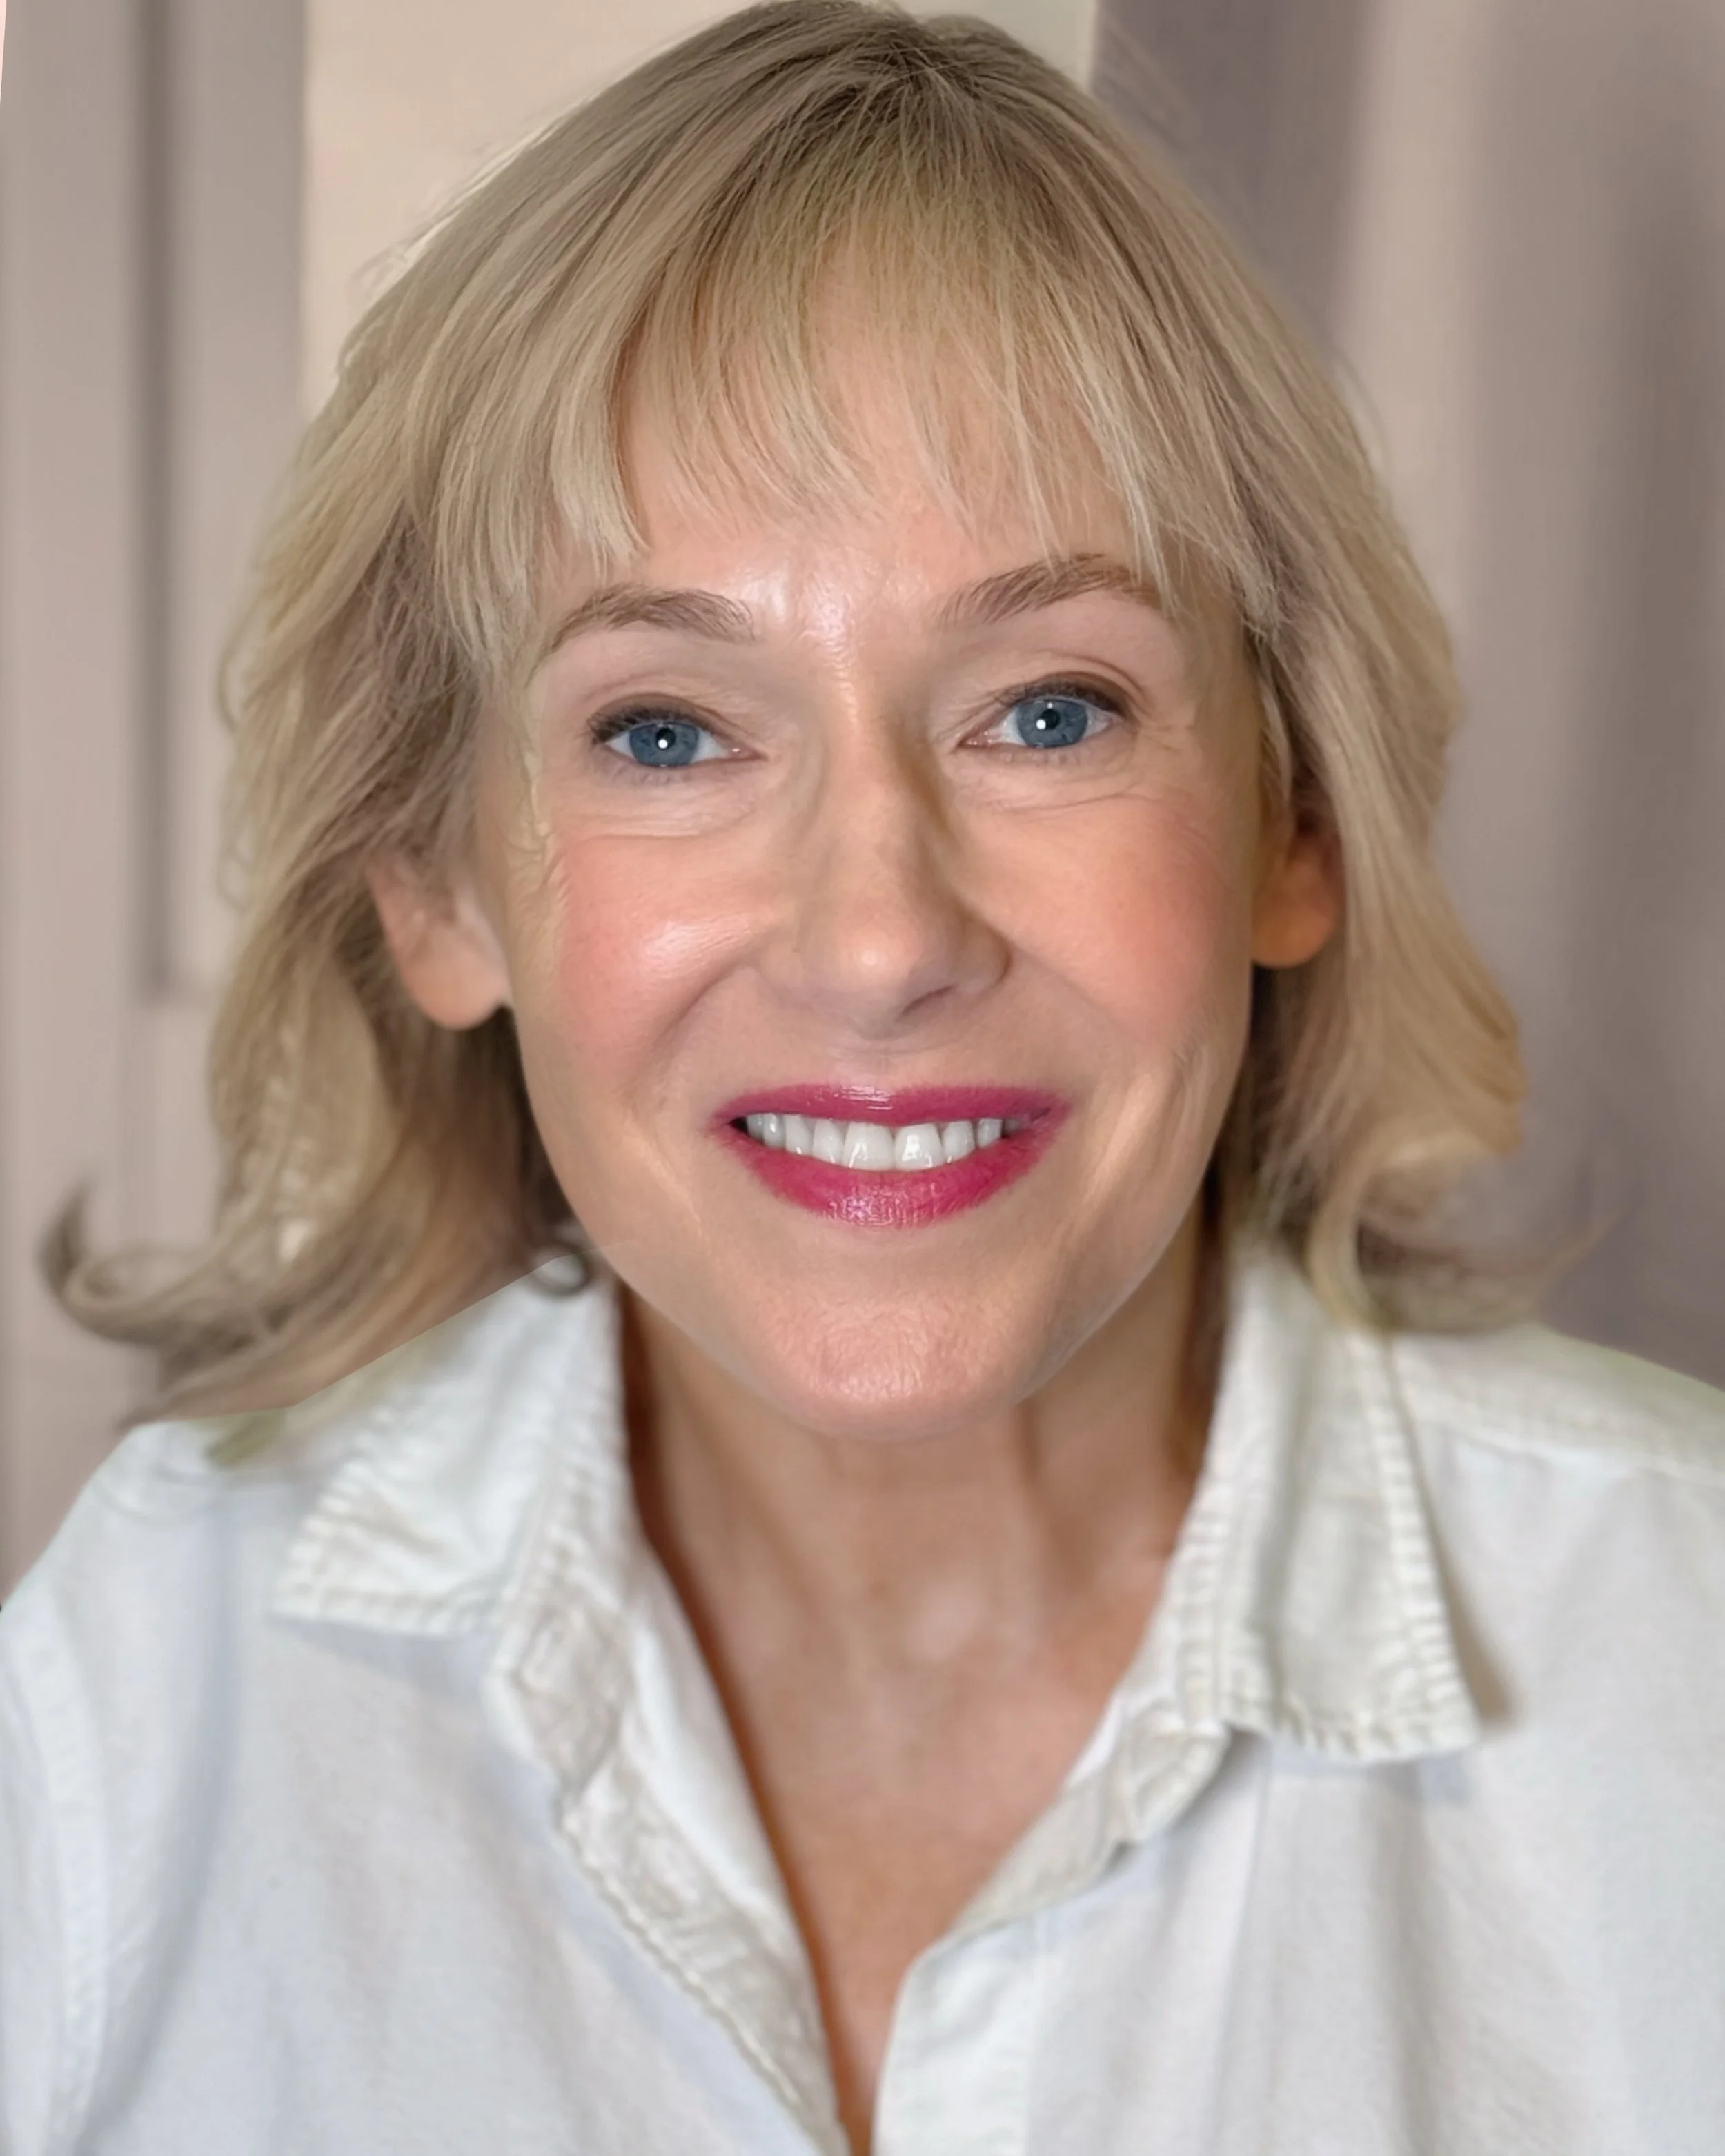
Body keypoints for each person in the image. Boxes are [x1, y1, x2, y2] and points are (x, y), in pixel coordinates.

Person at [4, 2, 1723, 2149]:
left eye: (1048, 709)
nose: (881, 936)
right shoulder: (140, 1681)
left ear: (1298, 821)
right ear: (433, 885)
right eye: (665, 730)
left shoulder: (1685, 1652)